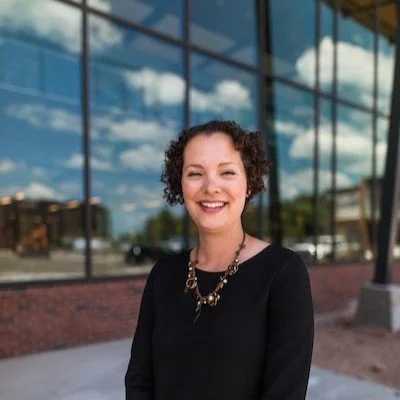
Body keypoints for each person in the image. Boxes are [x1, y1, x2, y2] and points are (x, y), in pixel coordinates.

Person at [125, 120, 314, 400]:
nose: (211, 187)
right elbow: (140, 381)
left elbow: (284, 393)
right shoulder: (163, 274)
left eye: (227, 172)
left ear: (248, 184)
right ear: (181, 185)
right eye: (195, 173)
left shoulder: (283, 273)